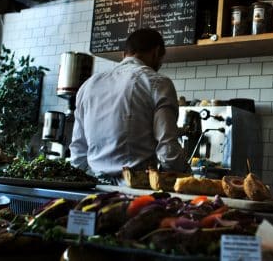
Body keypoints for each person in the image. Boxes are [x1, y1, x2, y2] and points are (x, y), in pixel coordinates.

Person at [69, 28, 188, 181]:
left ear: (124, 54)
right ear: (157, 52)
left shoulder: (89, 85)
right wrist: (183, 175)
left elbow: (78, 149)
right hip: (136, 189)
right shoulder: (158, 83)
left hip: (94, 187)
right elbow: (167, 148)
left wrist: (82, 183)